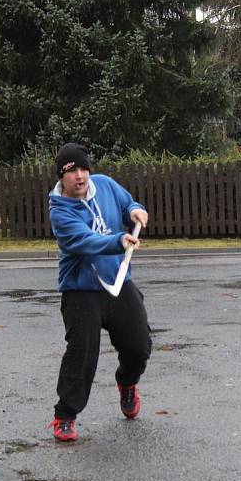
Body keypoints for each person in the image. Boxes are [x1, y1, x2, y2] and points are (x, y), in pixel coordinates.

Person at [46, 142, 151, 442]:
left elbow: (127, 203)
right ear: (61, 177)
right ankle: (65, 415)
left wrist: (136, 211)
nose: (79, 176)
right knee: (82, 352)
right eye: (71, 171)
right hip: (81, 290)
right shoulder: (60, 213)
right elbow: (86, 241)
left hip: (117, 281)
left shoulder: (104, 184)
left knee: (138, 346)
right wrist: (118, 241)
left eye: (83, 169)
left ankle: (127, 383)